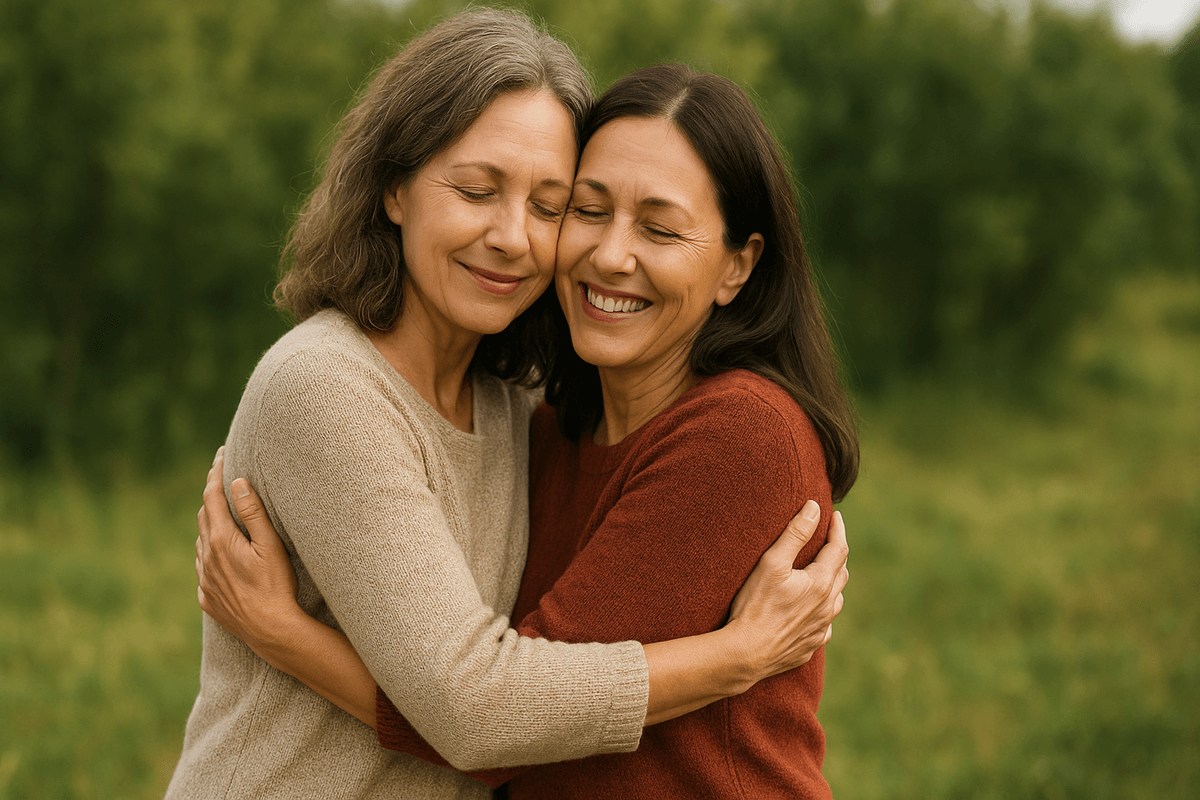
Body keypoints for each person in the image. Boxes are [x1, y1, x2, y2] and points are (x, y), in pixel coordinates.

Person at [171, 10, 850, 800]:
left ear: (739, 267)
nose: (513, 237)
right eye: (477, 189)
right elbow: (480, 709)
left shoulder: (517, 408)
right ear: (394, 187)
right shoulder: (331, 385)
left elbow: (485, 711)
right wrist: (735, 656)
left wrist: (293, 640)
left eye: (549, 203)